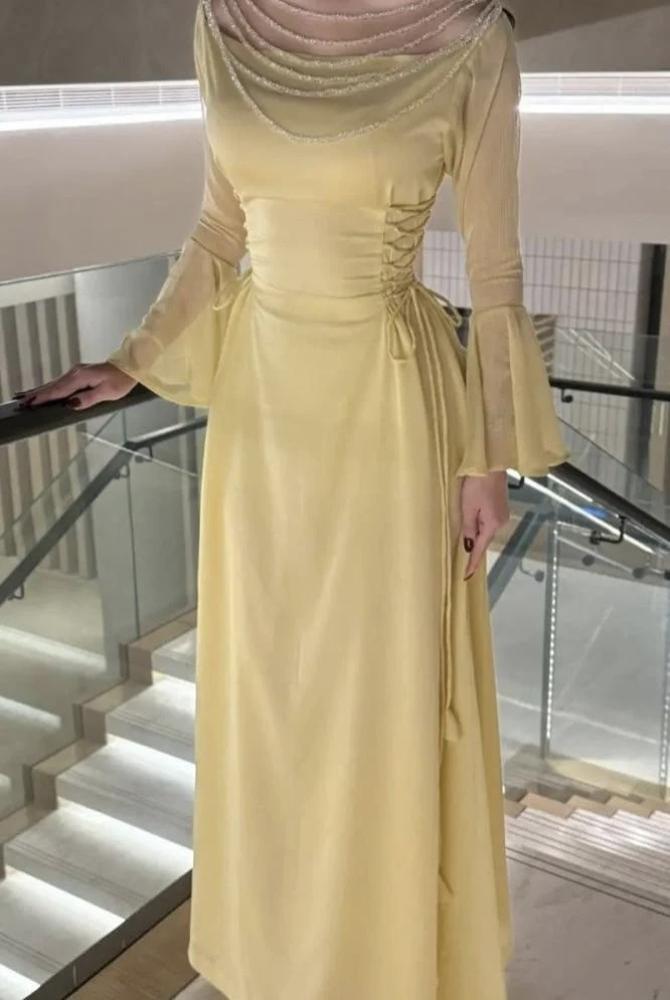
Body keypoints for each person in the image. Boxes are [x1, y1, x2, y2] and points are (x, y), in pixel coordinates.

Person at [15, 1, 569, 996]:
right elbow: (219, 228)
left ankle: (379, 960)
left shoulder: (472, 34)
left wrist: (485, 458)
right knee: (271, 697)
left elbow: (494, 268)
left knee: (374, 694)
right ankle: (280, 959)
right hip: (264, 413)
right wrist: (133, 359)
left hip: (388, 411)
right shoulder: (223, 20)